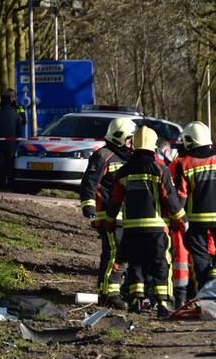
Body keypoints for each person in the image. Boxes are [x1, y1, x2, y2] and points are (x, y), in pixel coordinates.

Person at [105, 125, 187, 316]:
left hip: (131, 229)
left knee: (136, 264)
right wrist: (182, 219)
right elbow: (170, 199)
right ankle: (163, 303)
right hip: (157, 228)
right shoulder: (160, 170)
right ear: (153, 145)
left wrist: (109, 221)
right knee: (160, 264)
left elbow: (115, 199)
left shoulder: (124, 171)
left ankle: (136, 300)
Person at [79, 116, 135, 308]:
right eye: (129, 139)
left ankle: (107, 292)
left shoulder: (129, 157)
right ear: (119, 137)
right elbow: (89, 182)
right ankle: (110, 294)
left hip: (125, 216)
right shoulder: (103, 155)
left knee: (116, 254)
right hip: (108, 216)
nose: (131, 143)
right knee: (115, 253)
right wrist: (88, 206)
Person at [173, 121, 216, 297]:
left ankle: (204, 295)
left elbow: (181, 196)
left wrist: (177, 218)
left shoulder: (184, 164)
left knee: (200, 260)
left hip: (196, 221)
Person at [0, 88, 26, 190]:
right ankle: (8, 184)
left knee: (1, 164)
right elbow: (21, 123)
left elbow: (23, 121)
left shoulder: (18, 107)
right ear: (11, 98)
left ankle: (3, 184)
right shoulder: (12, 109)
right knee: (9, 163)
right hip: (10, 142)